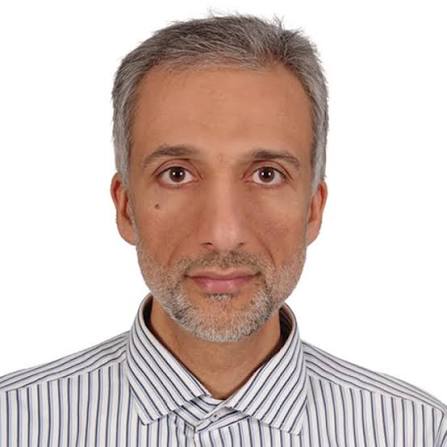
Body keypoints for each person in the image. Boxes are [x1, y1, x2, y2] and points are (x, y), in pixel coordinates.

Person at [0, 13, 445, 447]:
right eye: (177, 174)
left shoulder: (420, 432)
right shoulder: (12, 424)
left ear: (313, 208)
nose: (224, 234)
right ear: (126, 207)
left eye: (267, 174)